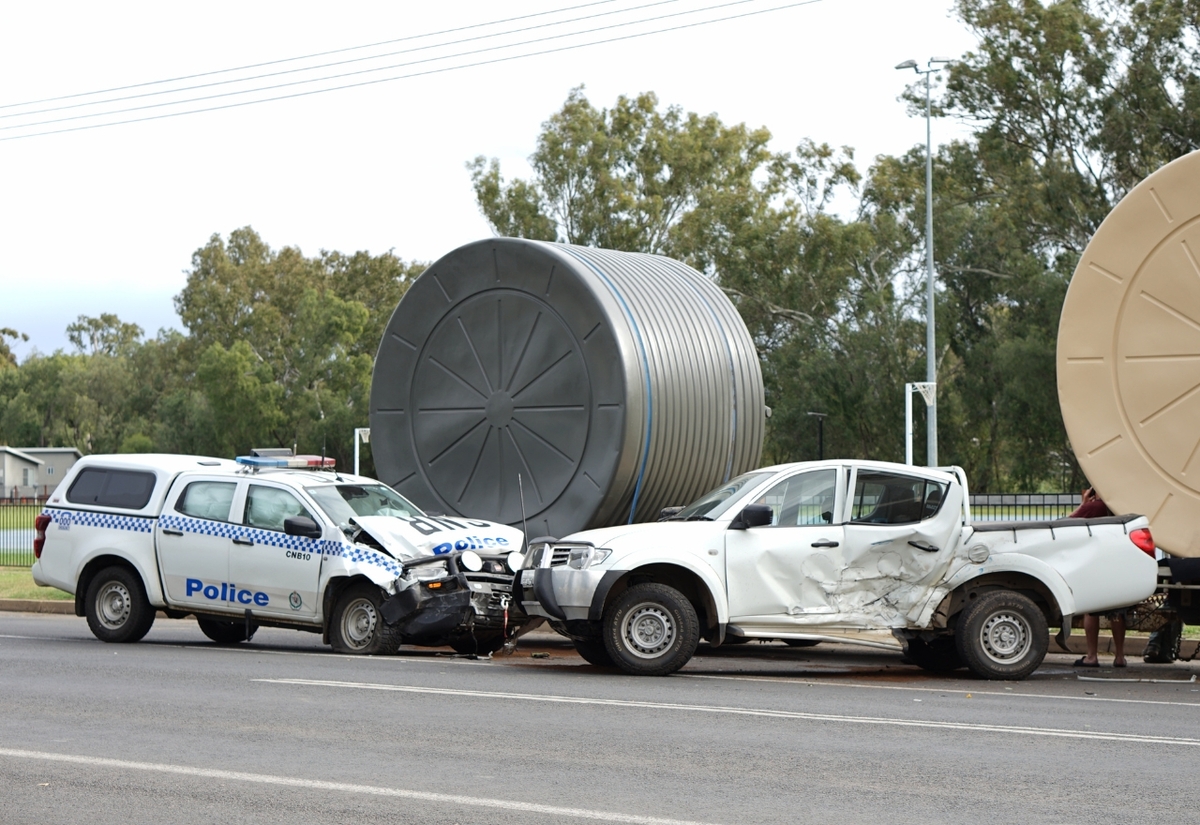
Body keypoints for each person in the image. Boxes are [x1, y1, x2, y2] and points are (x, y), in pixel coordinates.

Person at [1069, 487, 1127, 667]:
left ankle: (1092, 656)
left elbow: (1065, 524)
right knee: (1117, 610)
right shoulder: (1122, 506)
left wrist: (1084, 503)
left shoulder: (1094, 508)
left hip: (1095, 562)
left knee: (1091, 609)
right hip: (1118, 560)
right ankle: (1119, 656)